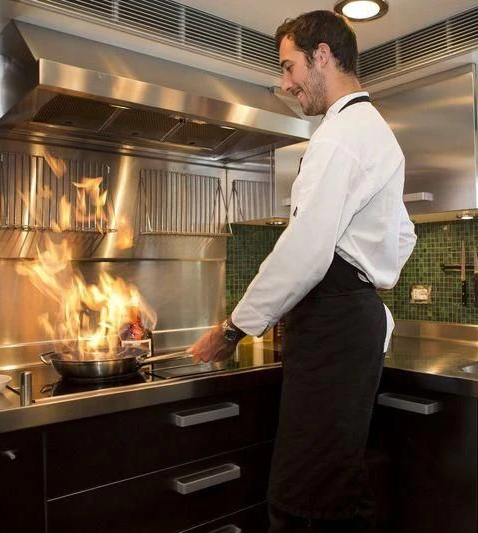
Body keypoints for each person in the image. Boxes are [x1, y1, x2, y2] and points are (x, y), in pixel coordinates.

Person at [188, 10, 416, 532]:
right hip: (349, 320)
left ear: (322, 56)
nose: (286, 84)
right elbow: (402, 236)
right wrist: (363, 285)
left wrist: (233, 328)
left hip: (334, 324)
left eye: (289, 67)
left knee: (302, 500)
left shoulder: (339, 136)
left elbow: (305, 251)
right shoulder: (374, 131)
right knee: (334, 484)